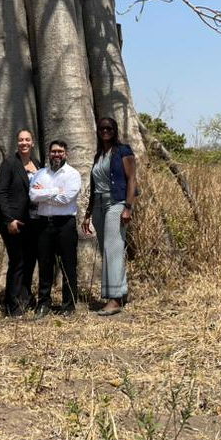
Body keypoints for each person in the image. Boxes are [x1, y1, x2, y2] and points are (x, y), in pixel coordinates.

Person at [81, 117, 137, 316]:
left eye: (109, 128)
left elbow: (132, 180)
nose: (105, 131)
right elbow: (95, 186)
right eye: (102, 128)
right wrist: (88, 213)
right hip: (98, 206)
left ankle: (114, 300)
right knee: (109, 250)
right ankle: (121, 292)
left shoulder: (123, 151)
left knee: (113, 249)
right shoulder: (99, 155)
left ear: (115, 130)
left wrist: (128, 207)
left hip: (116, 204)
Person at [29, 139, 82, 319]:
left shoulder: (73, 174)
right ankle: (43, 303)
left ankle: (69, 305)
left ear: (66, 154)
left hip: (65, 224)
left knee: (68, 265)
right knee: (45, 264)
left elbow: (66, 199)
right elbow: (33, 195)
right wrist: (55, 191)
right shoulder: (40, 173)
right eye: (53, 151)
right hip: (44, 223)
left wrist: (44, 192)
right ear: (49, 153)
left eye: (60, 151)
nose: (56, 154)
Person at [0, 129, 41, 316]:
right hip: (13, 222)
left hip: (32, 221)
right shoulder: (9, 164)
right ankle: (11, 304)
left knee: (29, 261)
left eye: (27, 140)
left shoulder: (37, 163)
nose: (24, 143)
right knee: (17, 261)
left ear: (32, 142)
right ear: (17, 142)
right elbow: (1, 193)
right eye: (21, 140)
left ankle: (25, 298)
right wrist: (9, 219)